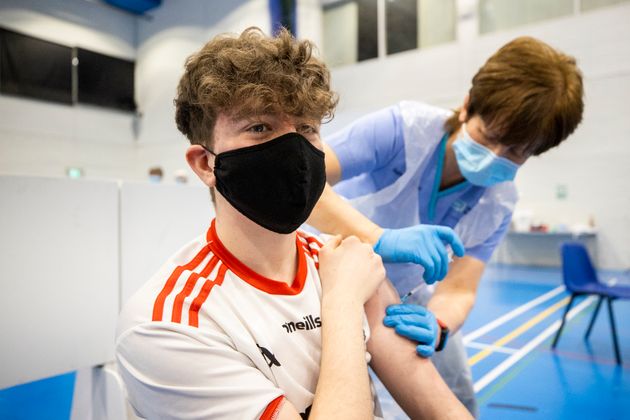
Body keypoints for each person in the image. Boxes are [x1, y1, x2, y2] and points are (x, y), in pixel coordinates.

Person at [115, 27, 471, 419]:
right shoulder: (172, 325)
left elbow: (445, 413)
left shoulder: (343, 264)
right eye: (259, 127)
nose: (295, 152)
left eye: (307, 129)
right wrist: (341, 303)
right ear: (205, 164)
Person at [307, 36, 585, 415]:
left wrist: (438, 324)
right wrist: (381, 239)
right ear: (468, 105)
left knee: (457, 395)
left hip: (403, 295)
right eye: (490, 137)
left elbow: (460, 288)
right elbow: (301, 182)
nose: (494, 157)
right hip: (325, 277)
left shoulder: (498, 203)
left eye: (517, 153)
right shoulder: (402, 131)